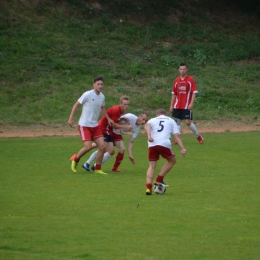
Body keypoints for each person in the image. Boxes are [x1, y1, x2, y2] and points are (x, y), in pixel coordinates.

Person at [68, 76, 113, 175]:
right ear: (94, 84)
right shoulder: (87, 94)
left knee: (102, 146)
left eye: (101, 84)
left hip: (95, 126)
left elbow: (102, 108)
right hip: (84, 125)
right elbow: (76, 104)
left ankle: (98, 168)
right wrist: (71, 118)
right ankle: (75, 159)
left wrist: (108, 118)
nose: (100, 86)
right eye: (98, 84)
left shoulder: (102, 96)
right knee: (88, 147)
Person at [83, 112, 149, 172]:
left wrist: (130, 154)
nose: (144, 122)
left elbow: (131, 141)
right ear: (139, 116)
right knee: (102, 148)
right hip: (110, 131)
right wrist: (121, 123)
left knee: (122, 149)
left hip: (117, 135)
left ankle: (113, 168)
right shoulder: (130, 116)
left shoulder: (137, 129)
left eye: (145, 121)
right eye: (143, 119)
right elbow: (116, 120)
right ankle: (87, 162)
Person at [82, 96, 132, 173]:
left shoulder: (120, 111)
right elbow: (113, 125)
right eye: (124, 104)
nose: (126, 106)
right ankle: (89, 164)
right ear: (120, 103)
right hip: (103, 129)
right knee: (104, 149)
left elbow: (113, 120)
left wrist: (121, 119)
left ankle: (92, 165)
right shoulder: (116, 110)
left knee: (110, 151)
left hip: (107, 130)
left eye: (128, 104)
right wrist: (126, 126)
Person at [145, 108, 187, 195]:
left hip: (152, 144)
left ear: (157, 114)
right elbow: (176, 136)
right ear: (165, 114)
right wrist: (182, 148)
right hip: (164, 143)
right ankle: (159, 179)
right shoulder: (171, 120)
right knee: (172, 161)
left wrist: (149, 136)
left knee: (152, 166)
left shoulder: (152, 120)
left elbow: (148, 125)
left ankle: (148, 188)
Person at [170, 63, 204, 144]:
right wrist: (171, 105)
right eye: (181, 69)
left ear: (187, 70)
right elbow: (174, 93)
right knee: (177, 122)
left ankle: (198, 135)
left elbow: (194, 92)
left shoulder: (190, 80)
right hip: (177, 105)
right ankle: (177, 139)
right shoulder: (176, 80)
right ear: (179, 70)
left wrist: (191, 103)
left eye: (184, 69)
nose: (182, 71)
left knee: (187, 122)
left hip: (186, 105)